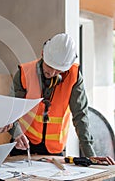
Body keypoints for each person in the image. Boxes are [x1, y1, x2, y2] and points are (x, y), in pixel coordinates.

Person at [8, 33, 115, 165]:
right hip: (23, 145)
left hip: (54, 152)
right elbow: (10, 110)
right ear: (43, 54)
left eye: (58, 70)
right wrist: (16, 134)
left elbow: (80, 116)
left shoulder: (74, 77)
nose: (52, 73)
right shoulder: (25, 73)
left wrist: (90, 155)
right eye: (49, 67)